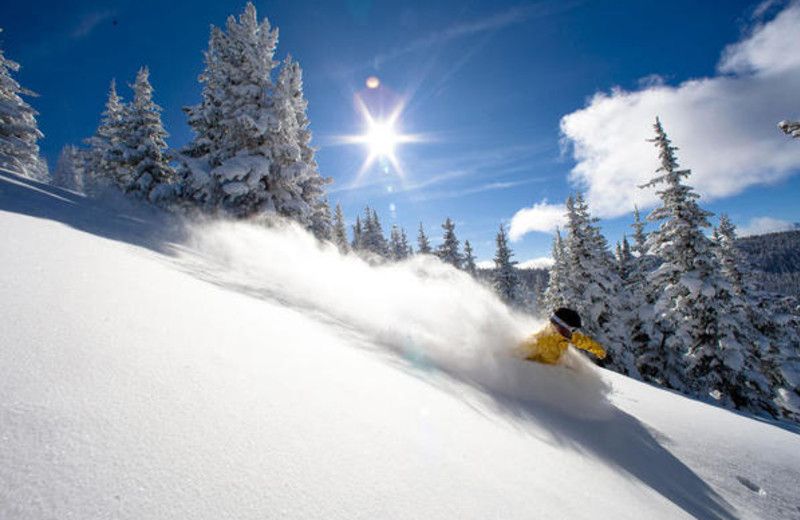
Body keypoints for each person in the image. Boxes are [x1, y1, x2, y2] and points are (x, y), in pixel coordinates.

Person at [514, 308, 606, 365]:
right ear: (560, 326)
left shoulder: (563, 337)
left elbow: (581, 341)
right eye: (571, 330)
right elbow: (517, 356)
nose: (571, 334)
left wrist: (599, 351)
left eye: (573, 331)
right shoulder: (538, 340)